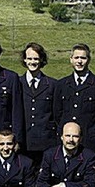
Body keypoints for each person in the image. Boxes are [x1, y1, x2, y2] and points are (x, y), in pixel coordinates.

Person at [54, 44, 95, 153]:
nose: (79, 61)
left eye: (83, 58)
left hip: (91, 142)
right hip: (68, 142)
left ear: (88, 60)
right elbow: (57, 113)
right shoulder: (61, 85)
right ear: (71, 60)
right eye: (76, 58)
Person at [19, 42, 58, 171]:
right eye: (29, 58)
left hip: (46, 141)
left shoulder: (52, 84)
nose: (33, 62)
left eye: (36, 59)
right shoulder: (17, 83)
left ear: (41, 60)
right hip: (24, 141)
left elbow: (56, 113)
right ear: (24, 59)